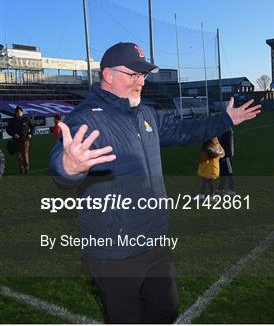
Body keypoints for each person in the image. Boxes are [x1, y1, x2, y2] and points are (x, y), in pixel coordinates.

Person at [49, 42, 261, 323]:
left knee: (166, 310)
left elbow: (185, 131)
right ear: (108, 74)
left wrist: (225, 119)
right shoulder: (86, 117)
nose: (141, 82)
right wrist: (69, 166)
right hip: (114, 251)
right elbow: (60, 164)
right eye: (133, 74)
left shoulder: (145, 113)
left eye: (144, 75)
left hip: (155, 239)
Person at [7, 106, 35, 174]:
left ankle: (26, 168)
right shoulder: (12, 121)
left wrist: (30, 133)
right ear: (15, 113)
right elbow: (8, 129)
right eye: (17, 112)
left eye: (20, 112)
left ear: (22, 112)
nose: (18, 113)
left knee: (25, 154)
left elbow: (33, 126)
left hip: (25, 140)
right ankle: (21, 169)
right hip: (16, 141)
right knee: (18, 156)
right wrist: (13, 134)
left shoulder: (26, 119)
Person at [216, 129, 236, 195]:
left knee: (229, 172)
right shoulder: (224, 129)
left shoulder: (227, 130)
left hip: (227, 155)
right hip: (222, 154)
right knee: (223, 171)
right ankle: (220, 188)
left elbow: (226, 143)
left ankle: (232, 189)